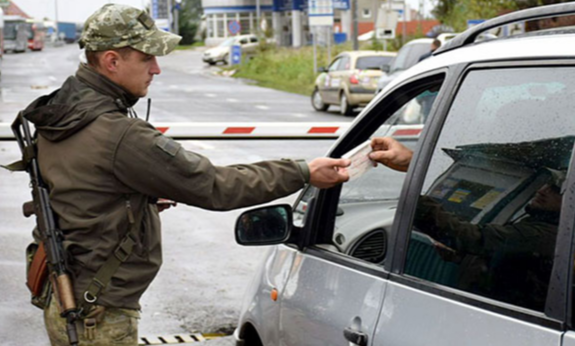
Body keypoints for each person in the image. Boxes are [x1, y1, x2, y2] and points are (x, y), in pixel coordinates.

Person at [19, 4, 350, 345]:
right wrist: (302, 172)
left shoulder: (62, 111)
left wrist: (135, 199)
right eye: (148, 57)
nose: (157, 68)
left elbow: (82, 190)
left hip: (65, 294)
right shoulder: (118, 134)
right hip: (98, 312)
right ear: (112, 61)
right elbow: (216, 187)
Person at [369, 137, 575, 310]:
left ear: (574, 203)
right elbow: (505, 263)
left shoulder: (543, 234)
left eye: (556, 190)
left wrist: (416, 195)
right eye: (547, 184)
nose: (543, 190)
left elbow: (474, 238)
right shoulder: (538, 224)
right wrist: (460, 256)